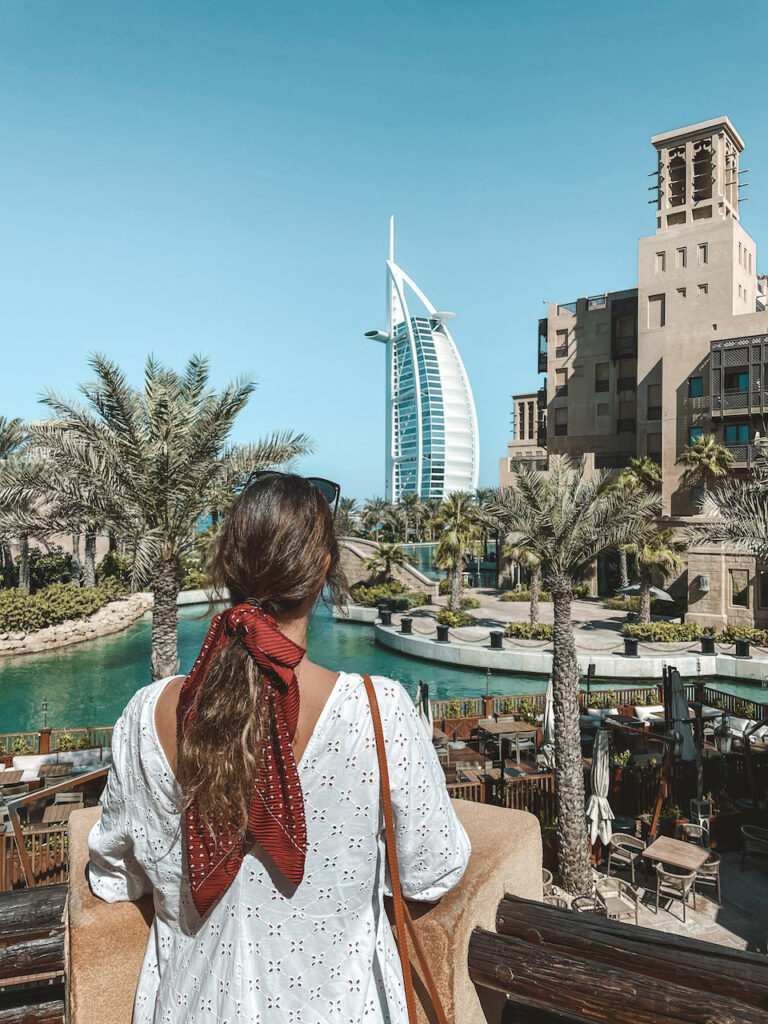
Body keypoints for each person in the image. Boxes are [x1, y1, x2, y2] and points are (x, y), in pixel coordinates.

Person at [88, 472, 471, 1023]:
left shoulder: (145, 716)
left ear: (226, 570)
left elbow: (113, 876)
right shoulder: (377, 712)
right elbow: (432, 868)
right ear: (322, 573)